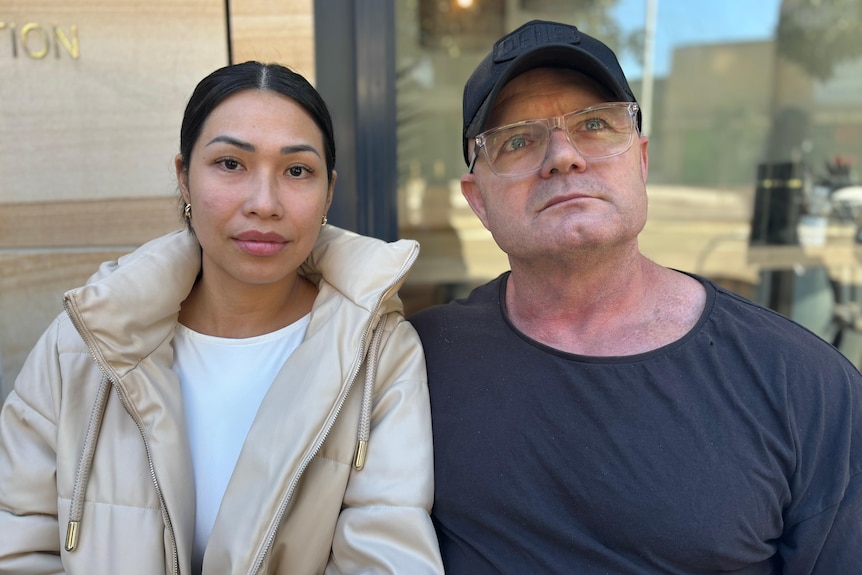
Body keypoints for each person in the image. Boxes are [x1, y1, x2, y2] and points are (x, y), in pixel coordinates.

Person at [410, 19, 862, 574]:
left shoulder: (803, 383)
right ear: (478, 201)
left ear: (641, 162)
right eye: (518, 140)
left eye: (595, 124)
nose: (564, 157)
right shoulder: (416, 363)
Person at [0, 61, 443, 575]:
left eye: (297, 170)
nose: (264, 203)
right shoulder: (81, 346)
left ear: (329, 191)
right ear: (184, 178)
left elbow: (388, 556)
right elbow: (18, 545)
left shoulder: (378, 352)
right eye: (231, 164)